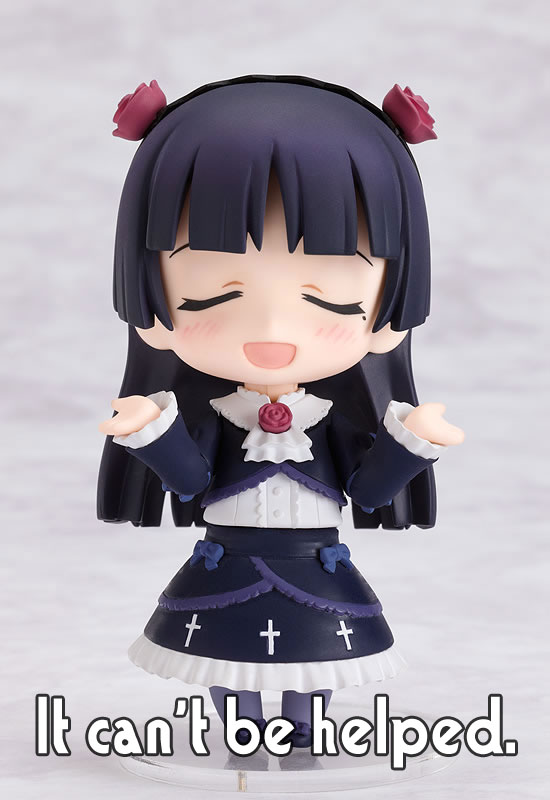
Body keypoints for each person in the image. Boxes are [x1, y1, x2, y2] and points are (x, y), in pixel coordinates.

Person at [98, 75, 464, 748]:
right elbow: (190, 482)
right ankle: (240, 730)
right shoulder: (215, 414)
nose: (271, 331)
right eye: (212, 298)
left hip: (318, 569)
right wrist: (149, 432)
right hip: (225, 565)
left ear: (391, 310)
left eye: (328, 302)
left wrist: (413, 442)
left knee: (314, 664)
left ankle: (304, 728)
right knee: (226, 665)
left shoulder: (332, 420)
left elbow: (367, 491)